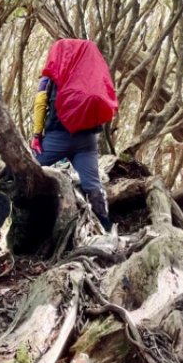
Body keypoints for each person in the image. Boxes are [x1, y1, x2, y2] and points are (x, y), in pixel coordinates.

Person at [31, 39, 113, 231]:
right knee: (93, 185)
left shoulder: (51, 77)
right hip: (87, 141)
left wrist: (37, 135)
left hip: (57, 137)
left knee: (29, 168)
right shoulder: (90, 78)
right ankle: (107, 227)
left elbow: (40, 105)